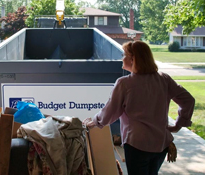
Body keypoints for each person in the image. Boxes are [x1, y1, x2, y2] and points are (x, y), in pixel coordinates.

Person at [83, 41, 195, 175]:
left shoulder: (125, 83)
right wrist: (178, 125)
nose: (122, 58)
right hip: (160, 144)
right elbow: (188, 100)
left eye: (124, 55)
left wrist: (95, 121)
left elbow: (110, 111)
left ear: (133, 59)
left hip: (137, 145)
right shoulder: (164, 79)